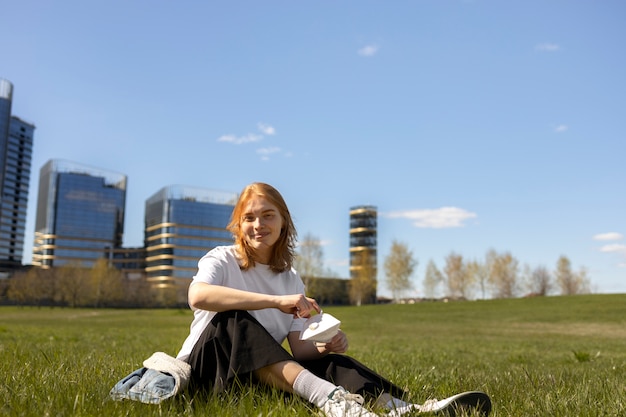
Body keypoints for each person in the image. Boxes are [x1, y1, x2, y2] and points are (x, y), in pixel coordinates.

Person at [175, 182, 491, 417]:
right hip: (207, 371)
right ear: (239, 225)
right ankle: (332, 402)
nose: (259, 225)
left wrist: (325, 344)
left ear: (283, 222)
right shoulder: (221, 258)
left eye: (268, 216)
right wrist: (274, 301)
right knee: (234, 319)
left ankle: (404, 409)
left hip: (252, 377)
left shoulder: (290, 278)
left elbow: (299, 348)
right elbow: (198, 296)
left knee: (329, 361)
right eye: (249, 218)